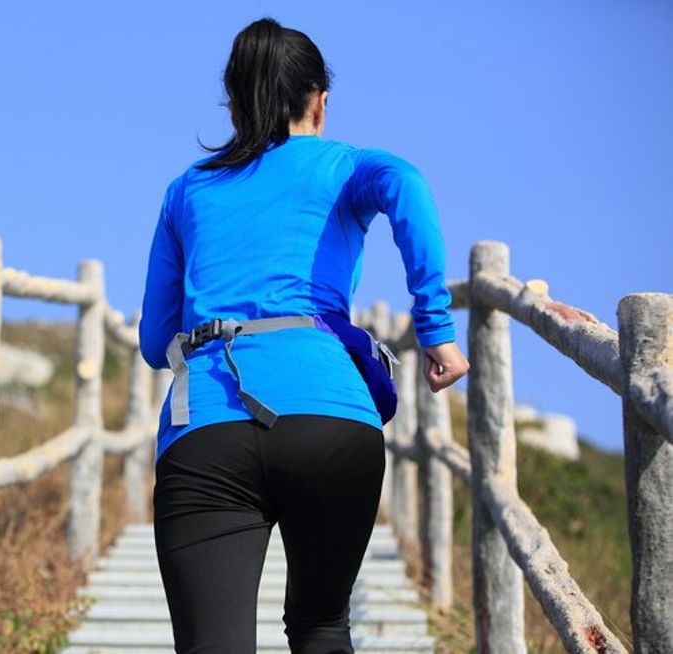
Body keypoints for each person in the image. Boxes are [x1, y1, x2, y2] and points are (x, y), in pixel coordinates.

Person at [138, 16, 470, 654]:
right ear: (320, 101)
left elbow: (156, 344)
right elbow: (407, 183)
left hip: (207, 430)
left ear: (234, 106)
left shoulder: (187, 190)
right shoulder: (346, 166)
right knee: (320, 626)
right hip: (331, 421)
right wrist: (434, 327)